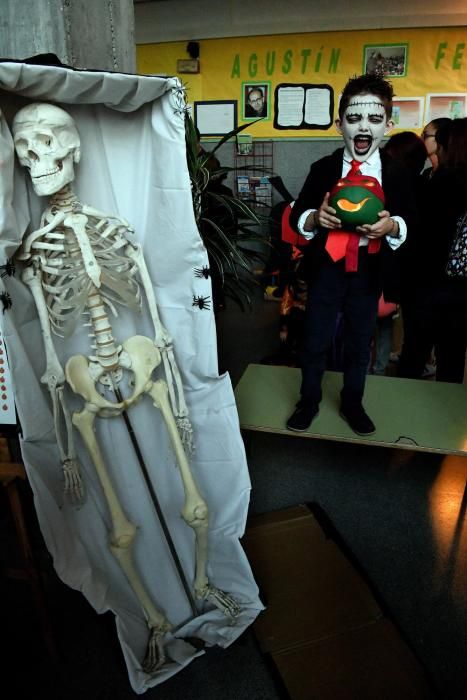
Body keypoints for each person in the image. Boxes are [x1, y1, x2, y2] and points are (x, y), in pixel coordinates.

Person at [286, 74, 416, 435]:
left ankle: (353, 401)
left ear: (388, 125)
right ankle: (308, 400)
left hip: (369, 270)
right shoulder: (323, 169)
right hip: (327, 267)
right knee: (314, 337)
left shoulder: (398, 174)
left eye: (374, 120)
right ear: (339, 122)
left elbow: (411, 221)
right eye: (355, 118)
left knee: (361, 340)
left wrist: (392, 227)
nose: (364, 127)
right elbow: (299, 213)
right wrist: (315, 216)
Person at [398, 118, 467, 383]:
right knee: (451, 357)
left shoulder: (440, 184)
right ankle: (444, 417)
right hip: (455, 289)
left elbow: (419, 236)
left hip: (430, 286)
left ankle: (406, 415)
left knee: (415, 351)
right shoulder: (440, 180)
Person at [370, 131, 427, 376]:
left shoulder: (393, 183)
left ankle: (367, 369)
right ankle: (381, 367)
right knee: (385, 320)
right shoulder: (423, 183)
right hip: (404, 270)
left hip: (385, 265)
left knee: (372, 319)